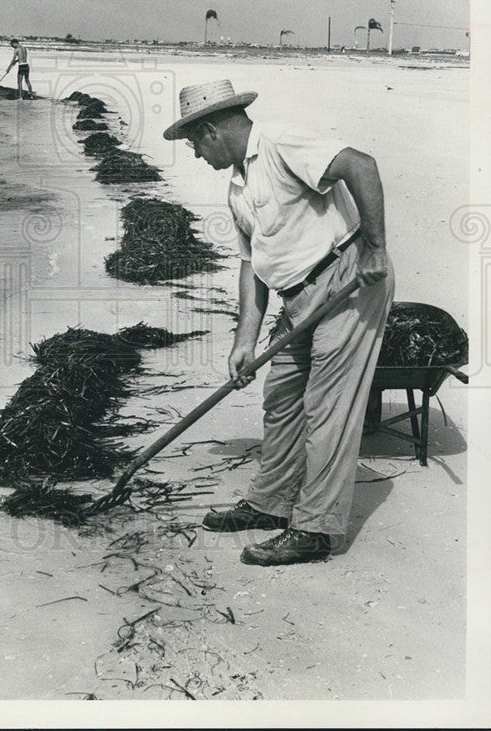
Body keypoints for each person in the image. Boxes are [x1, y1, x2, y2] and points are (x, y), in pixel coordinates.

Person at [163, 79, 394, 566]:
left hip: (345, 278)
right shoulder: (236, 188)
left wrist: (375, 247)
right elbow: (253, 264)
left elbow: (360, 165)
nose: (196, 154)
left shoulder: (282, 142)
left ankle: (315, 529)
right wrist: (244, 341)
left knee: (327, 407)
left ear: (210, 131)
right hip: (295, 296)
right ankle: (270, 504)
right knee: (282, 397)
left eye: (193, 144)